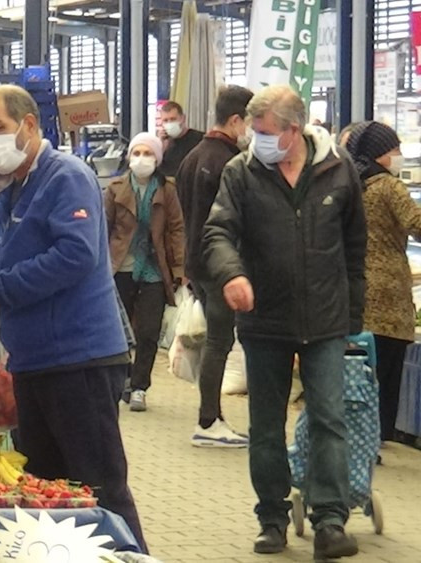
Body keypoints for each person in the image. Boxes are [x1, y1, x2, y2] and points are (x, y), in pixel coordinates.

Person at [0, 85, 147, 551]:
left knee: (100, 488)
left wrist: (2, 290)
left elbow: (75, 255)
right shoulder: (13, 191)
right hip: (33, 364)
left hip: (80, 359)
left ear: (30, 126)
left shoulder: (65, 176)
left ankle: (131, 557)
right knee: (49, 493)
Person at [203, 85, 365, 559]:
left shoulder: (339, 171)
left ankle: (330, 521)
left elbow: (355, 247)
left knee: (329, 421)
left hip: (327, 319)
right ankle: (271, 519)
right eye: (254, 130)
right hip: (264, 319)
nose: (257, 139)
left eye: (266, 131)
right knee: (266, 426)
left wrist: (353, 314)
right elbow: (217, 231)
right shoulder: (242, 172)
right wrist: (232, 274)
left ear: (294, 130)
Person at [175, 85, 254, 447]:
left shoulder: (194, 156)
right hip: (219, 265)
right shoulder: (226, 162)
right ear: (236, 120)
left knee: (216, 341)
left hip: (198, 262)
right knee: (219, 342)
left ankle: (213, 417)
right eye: (251, 122)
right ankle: (208, 421)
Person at [346, 121, 421, 443]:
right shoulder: (389, 186)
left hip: (358, 288)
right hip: (389, 291)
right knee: (388, 369)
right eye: (395, 150)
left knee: (363, 366)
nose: (399, 156)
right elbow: (416, 224)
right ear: (380, 154)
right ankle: (377, 435)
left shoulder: (351, 182)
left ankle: (358, 431)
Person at [106, 132, 185, 413]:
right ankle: (122, 379)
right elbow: (104, 229)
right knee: (117, 330)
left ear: (157, 158)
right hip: (121, 268)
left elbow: (176, 229)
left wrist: (178, 269)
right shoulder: (115, 189)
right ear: (129, 157)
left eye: (148, 153)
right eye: (137, 153)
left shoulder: (167, 190)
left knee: (149, 331)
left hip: (154, 269)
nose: (142, 159)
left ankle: (140, 387)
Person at [158, 101, 204, 178]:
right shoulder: (164, 144)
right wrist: (161, 146)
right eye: (165, 120)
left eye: (173, 119)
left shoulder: (200, 139)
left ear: (183, 118)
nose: (169, 123)